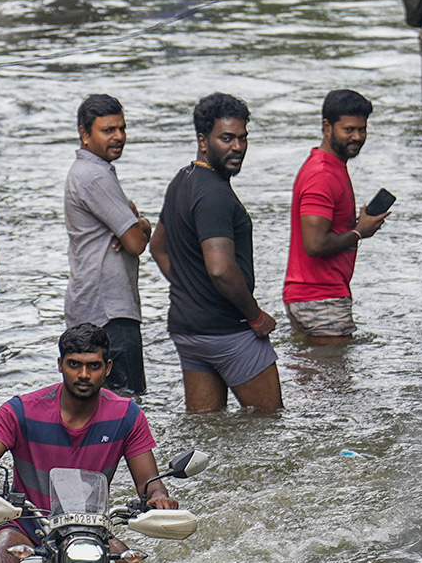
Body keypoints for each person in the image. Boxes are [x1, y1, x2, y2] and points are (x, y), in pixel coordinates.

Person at [0, 323, 178, 563]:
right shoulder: (20, 411)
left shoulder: (127, 416)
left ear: (107, 367)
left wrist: (158, 497)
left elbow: (149, 482)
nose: (84, 374)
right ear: (60, 365)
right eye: (74, 364)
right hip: (26, 524)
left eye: (93, 366)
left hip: (92, 528)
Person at [149, 93, 282, 414]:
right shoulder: (214, 195)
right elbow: (221, 269)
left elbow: (158, 247)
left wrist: (190, 291)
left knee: (207, 433)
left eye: (242, 138)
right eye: (226, 138)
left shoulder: (182, 180)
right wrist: (256, 316)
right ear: (203, 141)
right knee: (270, 427)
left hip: (188, 331)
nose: (237, 147)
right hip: (228, 332)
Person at [283, 90, 392, 344]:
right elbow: (315, 244)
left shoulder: (329, 167)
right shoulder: (322, 175)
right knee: (334, 383)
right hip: (321, 298)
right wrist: (358, 232)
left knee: (318, 381)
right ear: (327, 127)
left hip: (311, 296)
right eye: (349, 130)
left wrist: (356, 225)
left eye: (362, 130)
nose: (357, 137)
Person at [64, 94, 151, 395]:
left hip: (91, 306)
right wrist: (140, 225)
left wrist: (138, 225)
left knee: (99, 408)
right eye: (108, 130)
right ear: (84, 134)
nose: (118, 137)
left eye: (122, 129)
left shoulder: (89, 172)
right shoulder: (94, 176)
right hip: (110, 311)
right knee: (125, 407)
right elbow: (136, 243)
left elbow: (133, 235)